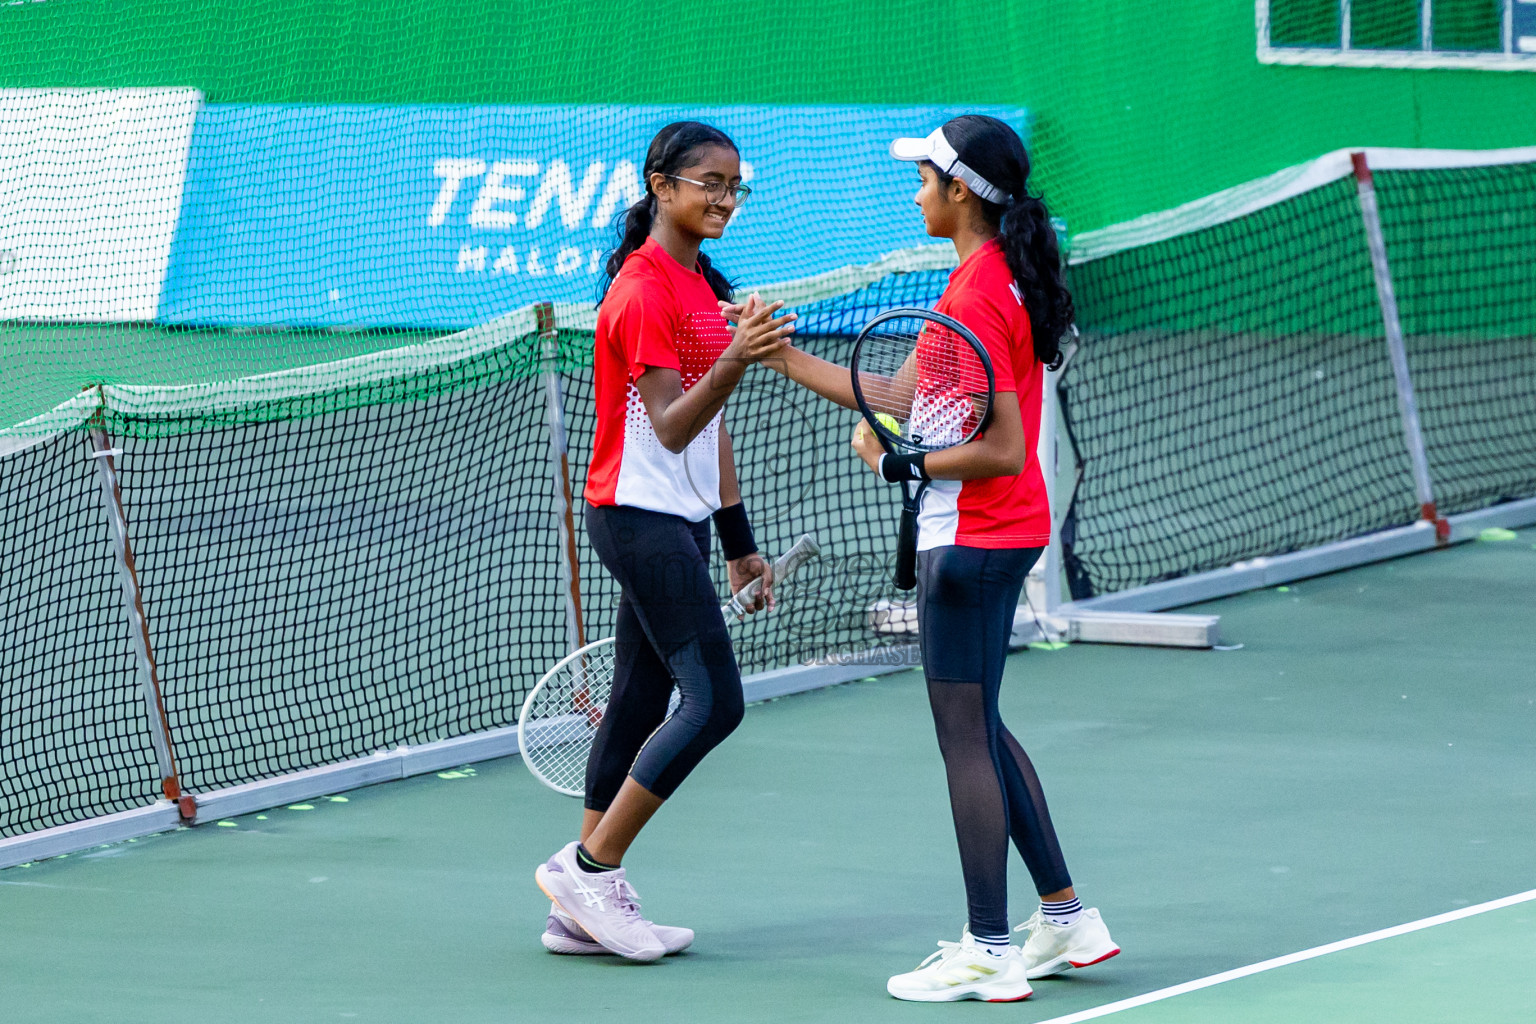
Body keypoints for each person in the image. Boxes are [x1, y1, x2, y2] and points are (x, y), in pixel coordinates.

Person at [740, 115, 1118, 1001]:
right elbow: (898, 394)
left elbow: (998, 449)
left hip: (975, 537)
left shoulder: (976, 297)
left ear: (960, 193)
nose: (914, 193)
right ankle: (1065, 919)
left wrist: (902, 458)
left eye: (925, 180)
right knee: (982, 725)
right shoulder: (984, 280)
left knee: (963, 740)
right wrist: (780, 355)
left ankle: (988, 949)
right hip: (998, 531)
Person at [534, 121, 796, 962]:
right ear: (662, 185)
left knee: (641, 700)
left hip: (674, 523)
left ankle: (577, 909)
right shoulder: (644, 290)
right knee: (715, 701)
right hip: (635, 520)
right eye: (708, 183)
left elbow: (709, 430)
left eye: (734, 187)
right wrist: (737, 360)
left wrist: (737, 540)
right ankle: (592, 867)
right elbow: (675, 425)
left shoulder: (696, 285)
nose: (724, 199)